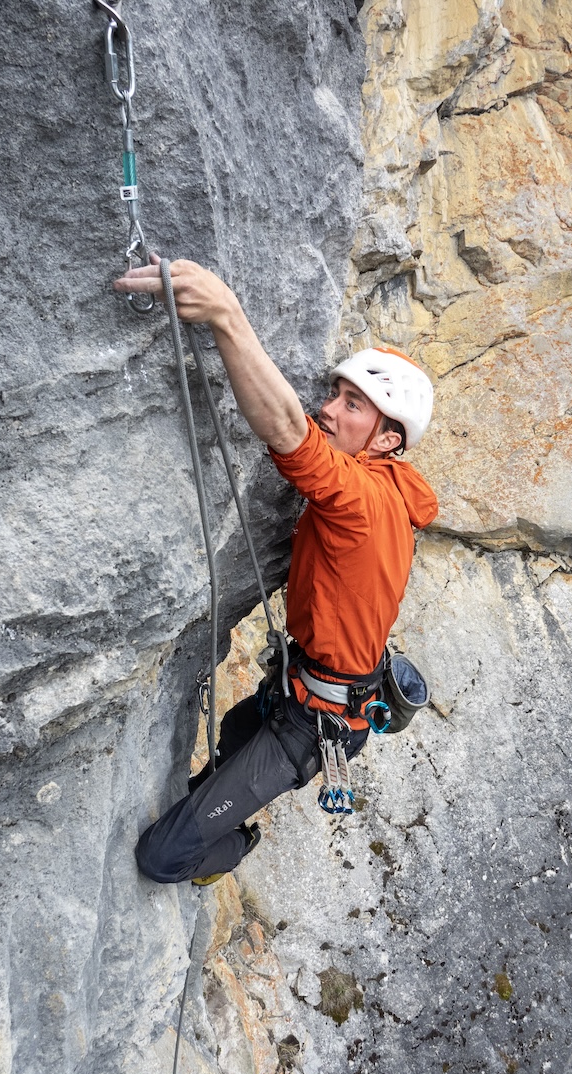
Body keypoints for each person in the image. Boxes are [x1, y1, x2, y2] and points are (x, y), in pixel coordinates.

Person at [114, 257, 439, 884]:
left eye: (352, 406)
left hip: (313, 725)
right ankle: (221, 807)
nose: (327, 410)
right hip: (300, 690)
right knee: (231, 741)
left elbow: (289, 431)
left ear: (386, 440)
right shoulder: (387, 485)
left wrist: (225, 316)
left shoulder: (365, 501)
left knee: (163, 856)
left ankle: (236, 846)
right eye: (335, 395)